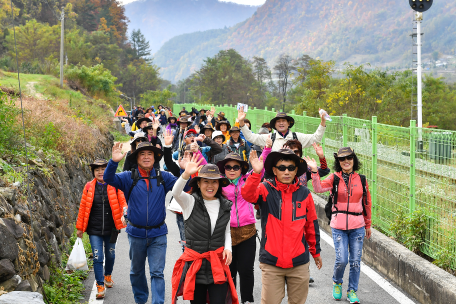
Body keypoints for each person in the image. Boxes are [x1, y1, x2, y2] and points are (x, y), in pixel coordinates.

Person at [241, 149, 322, 304]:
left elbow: (311, 224)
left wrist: (315, 251)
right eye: (282, 168)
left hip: (299, 262)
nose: (286, 171)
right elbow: (248, 195)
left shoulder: (305, 193)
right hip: (271, 262)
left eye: (291, 168)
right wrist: (256, 174)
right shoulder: (265, 188)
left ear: (296, 171)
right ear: (274, 170)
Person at [103, 142, 178, 304]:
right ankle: (141, 300)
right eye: (142, 154)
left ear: (155, 157)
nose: (146, 157)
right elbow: (108, 178)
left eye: (149, 154)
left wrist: (186, 171)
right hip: (136, 234)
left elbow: (183, 187)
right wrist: (113, 162)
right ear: (136, 158)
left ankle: (157, 302)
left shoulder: (163, 177)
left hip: (158, 234)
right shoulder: (128, 177)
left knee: (157, 272)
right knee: (136, 271)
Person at [307, 147, 372, 304]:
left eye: (349, 158)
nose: (346, 161)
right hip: (339, 226)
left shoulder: (361, 179)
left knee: (355, 261)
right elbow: (318, 188)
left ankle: (352, 291)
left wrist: (368, 223)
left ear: (354, 160)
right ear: (338, 162)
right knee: (342, 259)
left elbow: (367, 202)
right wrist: (315, 172)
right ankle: (337, 282)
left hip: (357, 225)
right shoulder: (334, 178)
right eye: (342, 159)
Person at [171, 157, 238, 304]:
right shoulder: (190, 202)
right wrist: (186, 174)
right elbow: (175, 193)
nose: (210, 185)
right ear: (199, 183)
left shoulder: (225, 205)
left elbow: (226, 231)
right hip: (196, 266)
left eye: (214, 181)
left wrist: (228, 249)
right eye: (206, 181)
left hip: (218, 264)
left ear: (219, 184)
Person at [216, 138, 272, 304]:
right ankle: (231, 300)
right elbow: (204, 169)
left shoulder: (248, 180)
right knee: (230, 271)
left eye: (236, 167)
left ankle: (247, 300)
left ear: (241, 169)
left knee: (246, 270)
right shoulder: (219, 183)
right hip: (226, 233)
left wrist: (267, 149)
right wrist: (196, 152)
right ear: (224, 169)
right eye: (228, 167)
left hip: (247, 232)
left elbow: (259, 169)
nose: (232, 170)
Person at [76, 159, 128, 299]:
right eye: (97, 169)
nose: (100, 172)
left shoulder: (115, 185)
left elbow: (123, 202)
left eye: (103, 168)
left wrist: (125, 214)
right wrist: (80, 228)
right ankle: (100, 285)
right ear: (93, 172)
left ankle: (108, 275)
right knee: (98, 257)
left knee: (110, 255)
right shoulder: (88, 187)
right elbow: (82, 208)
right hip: (94, 229)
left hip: (112, 229)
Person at [238, 108, 327, 152]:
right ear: (275, 125)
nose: (281, 123)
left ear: (289, 123)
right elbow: (251, 137)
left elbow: (316, 138)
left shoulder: (296, 137)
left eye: (284, 121)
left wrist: (323, 122)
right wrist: (241, 121)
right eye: (278, 121)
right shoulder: (270, 138)